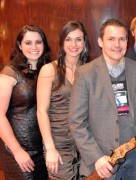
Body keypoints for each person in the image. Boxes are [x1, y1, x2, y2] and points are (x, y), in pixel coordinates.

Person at [68, 18, 136, 180]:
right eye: (111, 39)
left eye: (122, 39)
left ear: (127, 41)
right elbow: (76, 122)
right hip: (103, 160)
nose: (117, 44)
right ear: (100, 41)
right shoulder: (85, 74)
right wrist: (96, 157)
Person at [36, 20, 89, 179]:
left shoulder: (89, 70)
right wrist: (50, 148)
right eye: (68, 39)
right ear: (62, 42)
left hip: (84, 142)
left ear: (84, 42)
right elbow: (41, 111)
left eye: (78, 39)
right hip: (58, 143)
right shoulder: (49, 70)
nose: (74, 44)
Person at [0, 25, 51, 179]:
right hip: (18, 151)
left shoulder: (46, 70)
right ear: (19, 46)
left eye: (38, 42)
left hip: (42, 149)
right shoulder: (10, 73)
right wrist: (17, 151)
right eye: (28, 43)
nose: (34, 47)